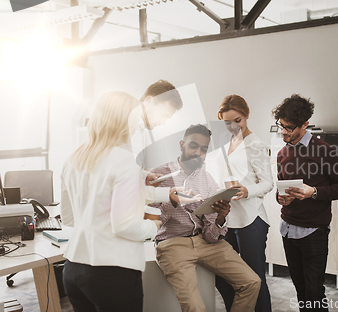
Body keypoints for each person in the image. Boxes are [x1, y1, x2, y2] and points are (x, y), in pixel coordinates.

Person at [60, 92, 162, 312]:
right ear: (126, 123)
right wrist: (153, 227)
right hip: (112, 272)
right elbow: (124, 225)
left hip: (73, 270)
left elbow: (69, 218)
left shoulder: (74, 159)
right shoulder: (125, 161)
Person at [149, 124, 261, 312]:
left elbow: (211, 236)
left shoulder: (207, 179)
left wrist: (220, 218)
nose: (198, 153)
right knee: (196, 307)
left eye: (203, 149)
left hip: (205, 243)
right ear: (181, 144)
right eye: (193, 146)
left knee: (252, 282)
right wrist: (174, 201)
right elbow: (149, 221)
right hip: (172, 244)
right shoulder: (160, 174)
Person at [272, 94, 338, 312]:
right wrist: (280, 198)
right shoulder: (281, 153)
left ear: (305, 124)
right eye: (281, 126)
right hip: (287, 229)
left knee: (314, 293)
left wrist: (313, 192)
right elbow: (279, 189)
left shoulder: (325, 151)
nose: (284, 132)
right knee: (300, 290)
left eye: (289, 128)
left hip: (313, 232)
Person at [214, 95, 274, 312]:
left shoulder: (255, 144)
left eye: (237, 121)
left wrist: (248, 190)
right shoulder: (227, 143)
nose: (233, 127)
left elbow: (268, 183)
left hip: (251, 220)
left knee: (255, 278)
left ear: (246, 115)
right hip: (228, 219)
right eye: (227, 122)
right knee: (225, 277)